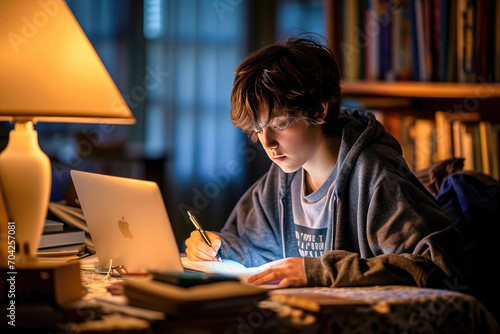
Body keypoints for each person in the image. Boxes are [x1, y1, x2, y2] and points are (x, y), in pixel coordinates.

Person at [185, 35, 468, 288]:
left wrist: (322, 272)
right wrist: (219, 248)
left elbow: (437, 266)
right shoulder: (283, 176)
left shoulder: (375, 175)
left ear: (319, 110)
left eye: (280, 124)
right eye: (259, 130)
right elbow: (254, 245)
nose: (268, 143)